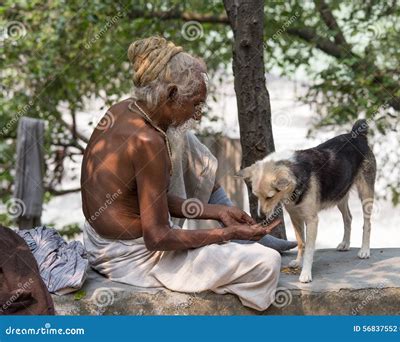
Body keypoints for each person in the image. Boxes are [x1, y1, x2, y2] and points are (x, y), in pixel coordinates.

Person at [80, 36, 288, 311]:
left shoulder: (121, 110)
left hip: (99, 244)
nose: (198, 114)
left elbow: (143, 199)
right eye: (195, 104)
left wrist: (216, 213)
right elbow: (157, 238)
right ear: (171, 95)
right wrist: (225, 235)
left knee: (187, 142)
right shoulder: (149, 142)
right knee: (266, 262)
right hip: (132, 259)